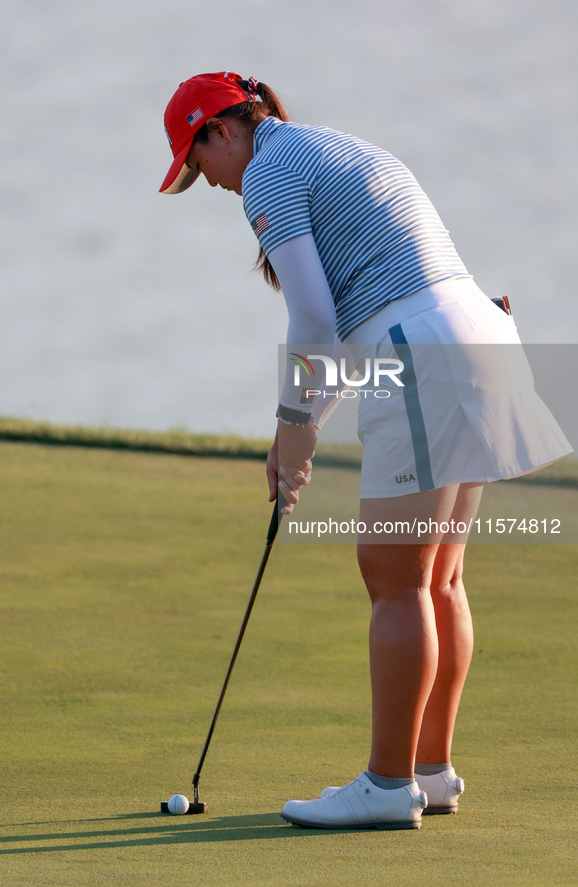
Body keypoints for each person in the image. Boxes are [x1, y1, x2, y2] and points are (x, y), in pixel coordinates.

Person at [159, 72, 572, 830]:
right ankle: (429, 769)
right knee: (437, 574)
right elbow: (353, 325)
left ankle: (386, 786)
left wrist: (290, 427)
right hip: (477, 334)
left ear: (222, 131)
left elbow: (314, 319)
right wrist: (304, 429)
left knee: (391, 574)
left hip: (425, 350)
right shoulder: (332, 149)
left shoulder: (268, 174)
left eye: (196, 162)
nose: (207, 183)